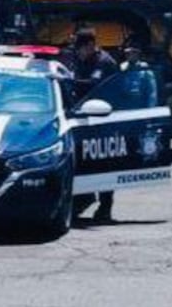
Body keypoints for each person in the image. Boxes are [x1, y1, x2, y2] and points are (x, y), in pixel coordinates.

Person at [63, 28, 119, 223]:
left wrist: (68, 81)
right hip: (84, 118)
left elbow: (93, 85)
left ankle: (105, 207)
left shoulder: (104, 62)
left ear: (90, 45)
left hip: (104, 118)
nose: (78, 53)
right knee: (83, 162)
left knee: (104, 164)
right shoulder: (80, 60)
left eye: (80, 48)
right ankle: (83, 199)